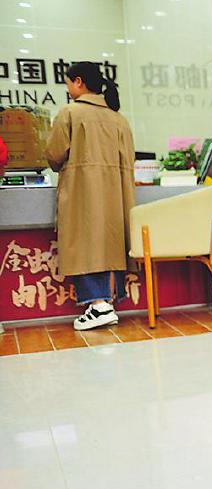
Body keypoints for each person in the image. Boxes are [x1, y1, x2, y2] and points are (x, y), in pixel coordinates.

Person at [45, 62, 135, 331]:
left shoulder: (70, 113)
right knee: (111, 243)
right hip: (117, 193)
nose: (68, 89)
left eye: (68, 83)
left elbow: (54, 155)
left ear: (79, 82)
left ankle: (98, 305)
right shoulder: (119, 119)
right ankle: (107, 302)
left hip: (81, 192)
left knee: (84, 242)